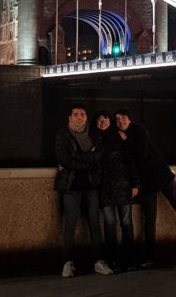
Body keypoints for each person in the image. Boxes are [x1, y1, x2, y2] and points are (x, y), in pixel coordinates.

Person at [114, 108, 176, 266]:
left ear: (129, 119)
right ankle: (150, 256)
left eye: (123, 118)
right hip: (146, 182)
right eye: (117, 119)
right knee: (149, 219)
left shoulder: (139, 130)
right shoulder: (118, 137)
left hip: (161, 175)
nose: (120, 121)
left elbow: (142, 153)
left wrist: (126, 141)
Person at [54, 104, 114, 278]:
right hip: (71, 187)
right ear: (70, 118)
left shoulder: (94, 134)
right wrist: (88, 161)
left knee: (95, 225)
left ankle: (98, 262)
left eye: (82, 114)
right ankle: (67, 263)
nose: (79, 117)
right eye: (76, 114)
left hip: (91, 186)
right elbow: (64, 160)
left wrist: (76, 155)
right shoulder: (62, 135)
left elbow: (98, 157)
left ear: (86, 118)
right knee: (70, 226)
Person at [91, 110, 140, 271]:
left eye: (105, 119)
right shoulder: (93, 139)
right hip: (105, 189)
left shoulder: (119, 137)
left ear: (110, 121)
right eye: (100, 120)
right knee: (110, 224)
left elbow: (131, 160)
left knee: (126, 223)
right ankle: (113, 261)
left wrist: (135, 184)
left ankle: (130, 260)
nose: (103, 122)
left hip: (123, 186)